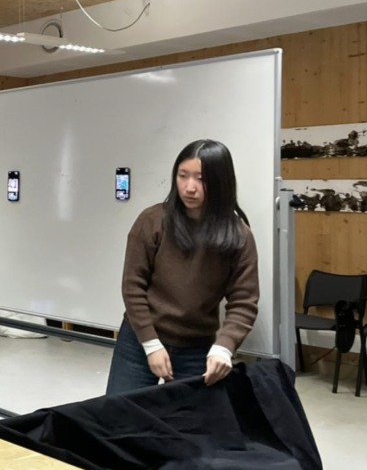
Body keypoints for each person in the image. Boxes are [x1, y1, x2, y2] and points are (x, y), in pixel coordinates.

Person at [106, 139, 259, 395]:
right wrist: (151, 344)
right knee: (121, 413)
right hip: (139, 340)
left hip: (196, 349)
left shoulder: (239, 235)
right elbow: (133, 286)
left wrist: (224, 347)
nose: (189, 187)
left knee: (191, 417)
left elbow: (244, 301)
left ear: (221, 181)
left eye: (201, 179)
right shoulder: (152, 221)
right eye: (182, 175)